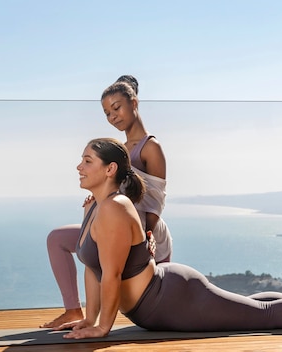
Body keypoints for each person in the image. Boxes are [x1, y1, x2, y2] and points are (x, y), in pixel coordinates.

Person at [58, 137, 282, 339]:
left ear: (109, 169)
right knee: (250, 307)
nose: (78, 166)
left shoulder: (115, 208)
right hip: (163, 300)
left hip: (170, 301)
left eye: (87, 160)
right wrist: (90, 318)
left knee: (263, 317)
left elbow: (114, 275)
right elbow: (94, 267)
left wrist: (103, 328)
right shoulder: (95, 207)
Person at [40, 76, 173, 328]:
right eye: (106, 113)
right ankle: (73, 311)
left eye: (116, 108)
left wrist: (148, 233)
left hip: (143, 231)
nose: (112, 116)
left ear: (134, 103)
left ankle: (99, 322)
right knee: (56, 239)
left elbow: (156, 201)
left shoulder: (150, 147)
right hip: (113, 226)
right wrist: (99, 198)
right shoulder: (119, 148)